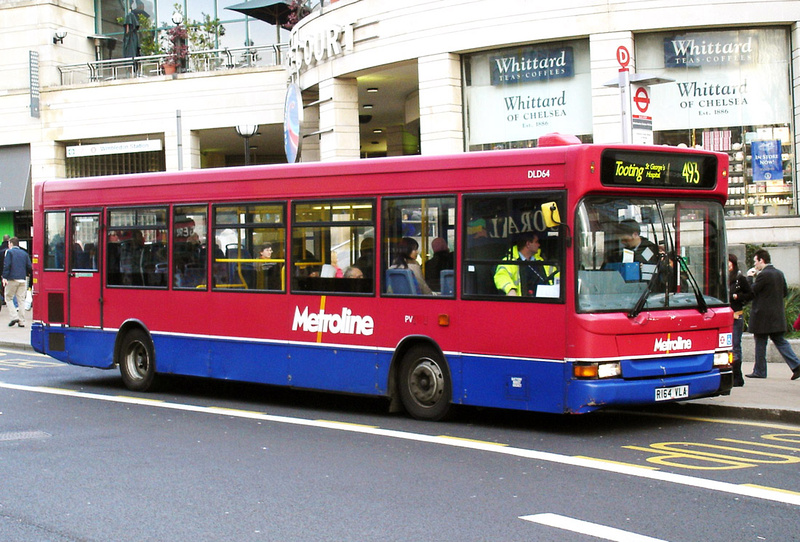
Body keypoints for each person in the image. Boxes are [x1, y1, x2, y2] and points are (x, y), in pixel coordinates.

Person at [746, 249, 800, 380]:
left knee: (760, 343)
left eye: (755, 261)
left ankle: (760, 370)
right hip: (776, 316)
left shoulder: (763, 275)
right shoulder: (779, 273)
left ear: (761, 260)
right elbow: (784, 293)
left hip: (762, 317)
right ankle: (796, 365)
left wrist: (749, 277)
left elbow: (751, 291)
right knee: (780, 341)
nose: (755, 265)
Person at [494, 231, 553, 296]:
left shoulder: (541, 261)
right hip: (522, 303)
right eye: (536, 242)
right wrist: (510, 290)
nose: (539, 245)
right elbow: (501, 276)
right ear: (528, 244)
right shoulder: (510, 261)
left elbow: (557, 275)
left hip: (545, 302)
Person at [728, 254, 753, 386]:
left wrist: (738, 297)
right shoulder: (720, 277)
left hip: (736, 315)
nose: (727, 265)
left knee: (735, 345)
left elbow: (750, 294)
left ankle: (737, 376)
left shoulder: (739, 278)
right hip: (725, 315)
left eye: (729, 262)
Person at [2, 237, 32, 328]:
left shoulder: (9, 252)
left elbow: (7, 265)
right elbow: (29, 266)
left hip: (12, 279)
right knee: (21, 300)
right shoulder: (24, 253)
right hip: (23, 279)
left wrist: (4, 277)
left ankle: (14, 316)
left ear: (11, 244)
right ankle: (22, 321)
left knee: (8, 297)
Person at [0, 234, 9, 308]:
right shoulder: (10, 250)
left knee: (2, 286)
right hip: (9, 271)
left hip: (1, 270)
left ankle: (2, 299)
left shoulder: (0, 249)